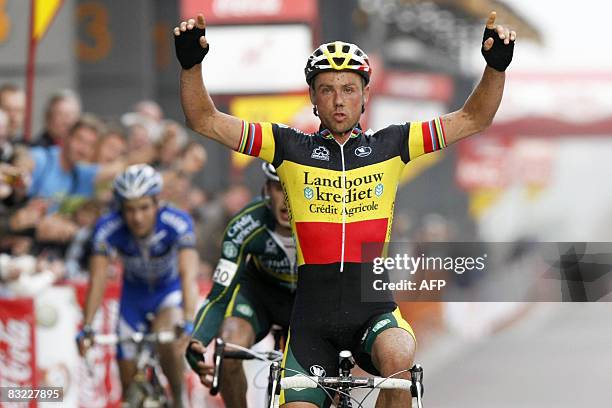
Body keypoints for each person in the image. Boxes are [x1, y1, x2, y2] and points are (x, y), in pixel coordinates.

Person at [175, 11, 515, 407]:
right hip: (311, 324)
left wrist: (494, 69)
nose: (339, 100)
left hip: (371, 309)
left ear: (365, 95)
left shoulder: (393, 144)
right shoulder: (288, 148)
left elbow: (474, 117)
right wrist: (190, 65)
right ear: (313, 98)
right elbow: (204, 119)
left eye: (350, 89)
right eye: (327, 89)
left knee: (400, 357)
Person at [76, 164, 199, 407]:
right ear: (121, 208)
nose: (137, 217)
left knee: (169, 340)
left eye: (144, 207)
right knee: (129, 392)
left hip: (168, 294)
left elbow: (188, 274)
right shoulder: (108, 226)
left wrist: (188, 319)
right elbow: (98, 278)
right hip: (132, 299)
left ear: (157, 203)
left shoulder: (177, 222)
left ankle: (179, 400)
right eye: (130, 209)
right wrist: (87, 325)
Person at [187, 163, 297, 408]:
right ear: (267, 189)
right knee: (228, 349)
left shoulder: (328, 223)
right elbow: (219, 294)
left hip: (307, 302)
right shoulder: (245, 224)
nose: (286, 199)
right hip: (259, 298)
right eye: (280, 188)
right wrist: (199, 339)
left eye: (295, 188)